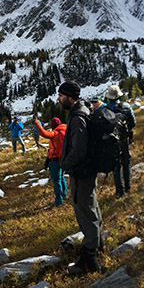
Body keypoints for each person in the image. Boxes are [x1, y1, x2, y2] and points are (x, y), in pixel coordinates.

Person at [57, 81, 102, 275]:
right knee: (91, 209)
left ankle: (88, 261)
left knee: (85, 213)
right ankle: (98, 247)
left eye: (61, 95)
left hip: (82, 173)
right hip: (86, 171)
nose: (58, 99)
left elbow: (79, 149)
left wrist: (64, 163)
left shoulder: (77, 118)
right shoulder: (81, 112)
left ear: (69, 96)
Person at [104, 84, 136, 198]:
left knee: (116, 165)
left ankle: (119, 191)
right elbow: (133, 123)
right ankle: (128, 187)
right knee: (126, 162)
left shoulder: (106, 109)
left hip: (112, 141)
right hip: (124, 139)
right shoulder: (126, 106)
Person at [34, 116, 68, 206]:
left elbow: (44, 133)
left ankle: (59, 200)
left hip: (55, 160)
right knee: (62, 177)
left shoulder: (55, 133)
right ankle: (64, 195)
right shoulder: (66, 130)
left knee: (56, 180)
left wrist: (36, 123)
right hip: (64, 158)